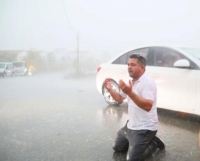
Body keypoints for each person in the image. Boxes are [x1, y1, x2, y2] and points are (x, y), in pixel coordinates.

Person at [104, 54, 165, 161]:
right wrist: (110, 89)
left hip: (145, 128)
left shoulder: (148, 82)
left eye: (133, 65)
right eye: (128, 64)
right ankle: (136, 142)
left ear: (142, 68)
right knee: (117, 147)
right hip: (131, 126)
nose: (129, 67)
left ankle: (153, 143)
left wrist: (130, 93)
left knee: (132, 159)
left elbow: (148, 106)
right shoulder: (130, 82)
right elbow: (119, 98)